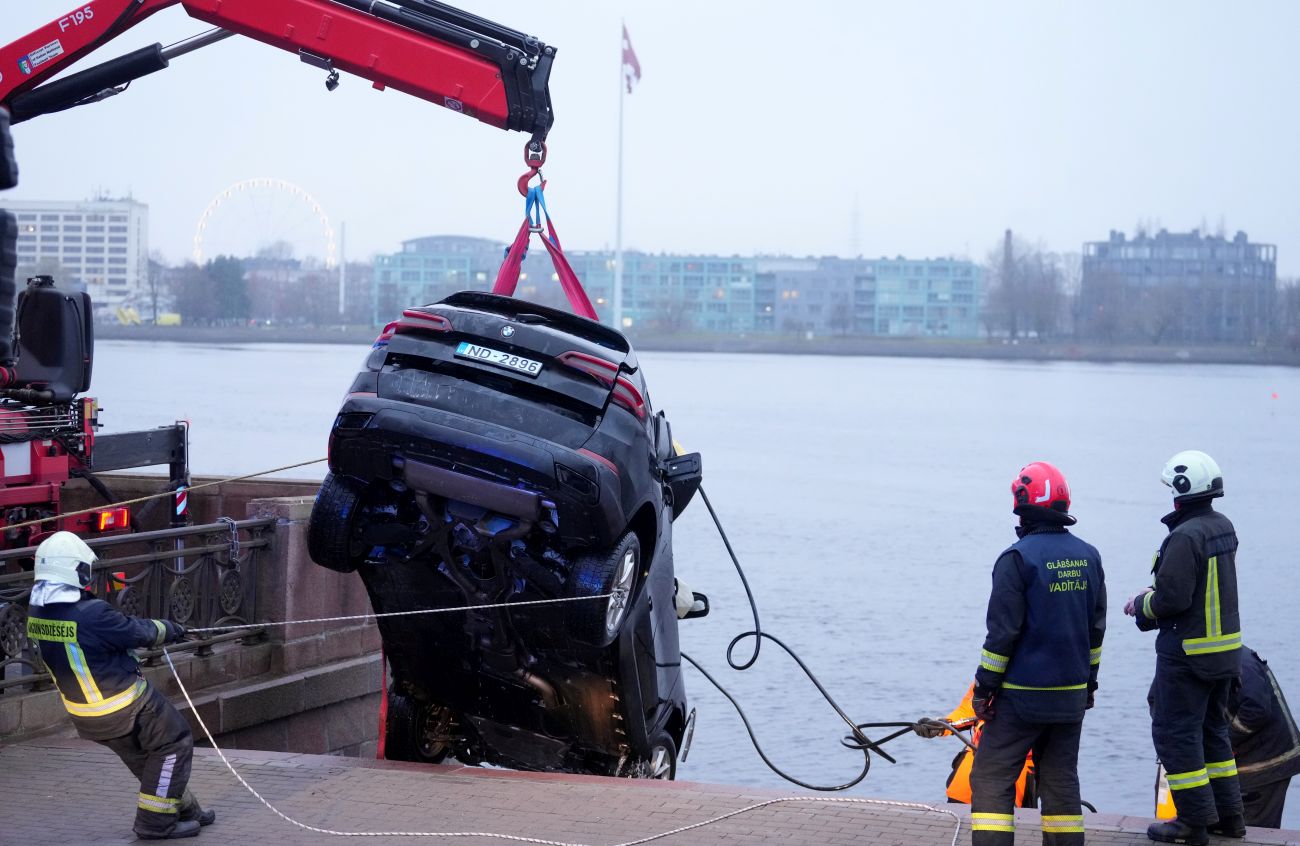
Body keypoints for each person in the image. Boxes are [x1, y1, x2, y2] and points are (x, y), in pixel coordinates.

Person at [25, 531, 217, 840]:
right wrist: (170, 628)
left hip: (85, 715)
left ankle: (185, 809)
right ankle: (155, 824)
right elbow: (135, 632)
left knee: (148, 757)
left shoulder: (37, 612)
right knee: (174, 741)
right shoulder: (91, 614)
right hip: (124, 703)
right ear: (75, 570)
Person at [968, 461, 1106, 845]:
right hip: (1071, 697)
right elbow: (1095, 633)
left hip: (1021, 699)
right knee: (1061, 781)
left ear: (1022, 504)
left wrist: (984, 691)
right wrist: (1089, 685)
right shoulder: (1089, 557)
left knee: (992, 776)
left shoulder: (1016, 559)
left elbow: (1001, 637)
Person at [1125, 450, 1245, 845]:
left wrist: (1140, 603)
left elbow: (1171, 600)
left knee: (1176, 735)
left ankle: (1192, 824)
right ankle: (1229, 818)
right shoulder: (1222, 527)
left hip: (1188, 656)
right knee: (1214, 735)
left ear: (1181, 490)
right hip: (1223, 655)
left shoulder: (1184, 536)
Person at [914, 682, 1037, 807]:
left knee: (1007, 815)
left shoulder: (1044, 676)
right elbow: (968, 710)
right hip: (976, 757)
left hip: (1018, 765)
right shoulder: (988, 675)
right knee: (958, 803)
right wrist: (941, 726)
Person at [1228, 648, 1300, 829]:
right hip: (1251, 755)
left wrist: (1224, 741)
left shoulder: (1241, 664)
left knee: (1254, 830)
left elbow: (1256, 710)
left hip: (1268, 761)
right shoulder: (1224, 659)